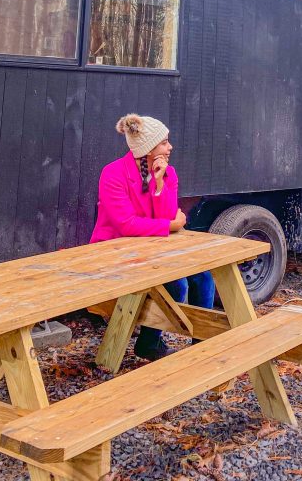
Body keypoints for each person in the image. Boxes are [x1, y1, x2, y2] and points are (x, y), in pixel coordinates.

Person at [90, 113, 215, 361]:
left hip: (152, 247)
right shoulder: (113, 174)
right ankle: (149, 342)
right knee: (176, 284)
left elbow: (168, 215)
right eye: (164, 142)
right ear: (148, 149)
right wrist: (170, 225)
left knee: (204, 276)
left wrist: (159, 184)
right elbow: (126, 225)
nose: (170, 147)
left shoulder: (168, 174)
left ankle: (202, 343)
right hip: (115, 252)